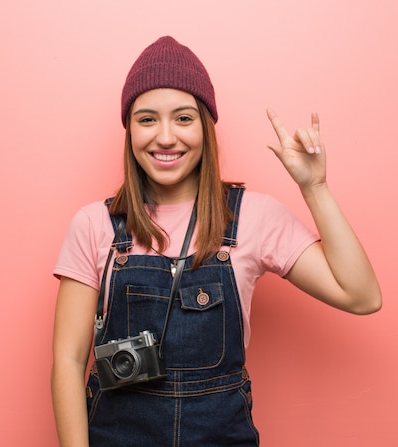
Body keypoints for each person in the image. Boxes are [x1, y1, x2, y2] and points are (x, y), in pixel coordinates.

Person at [51, 36, 381, 446]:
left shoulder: (253, 217)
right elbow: (68, 361)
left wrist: (315, 187)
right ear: (129, 129)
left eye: (184, 118)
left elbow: (362, 296)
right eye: (147, 119)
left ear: (206, 127)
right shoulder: (94, 224)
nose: (166, 137)